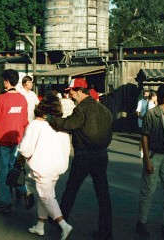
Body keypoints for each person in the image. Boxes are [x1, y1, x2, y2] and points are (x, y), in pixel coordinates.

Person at [46, 78, 113, 240]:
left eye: (71, 92)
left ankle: (61, 221)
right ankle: (106, 231)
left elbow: (68, 124)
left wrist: (49, 118)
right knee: (103, 194)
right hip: (101, 154)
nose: (69, 95)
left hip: (84, 155)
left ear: (80, 91)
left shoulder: (81, 109)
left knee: (71, 189)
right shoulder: (103, 109)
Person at [20, 93, 73, 239]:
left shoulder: (36, 125)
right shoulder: (60, 125)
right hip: (57, 165)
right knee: (47, 195)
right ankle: (40, 225)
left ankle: (64, 225)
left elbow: (25, 149)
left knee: (45, 196)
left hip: (42, 165)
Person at [136, 84, 164, 240]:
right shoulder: (151, 114)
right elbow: (145, 137)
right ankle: (141, 222)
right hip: (154, 156)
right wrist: (147, 159)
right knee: (148, 191)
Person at [0, 69, 33, 214]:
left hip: (3, 140)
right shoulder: (22, 99)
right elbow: (24, 121)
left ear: (7, 81)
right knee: (13, 169)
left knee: (3, 172)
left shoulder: (1, 99)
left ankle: (5, 202)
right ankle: (24, 191)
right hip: (16, 139)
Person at [136, 89, 150, 159]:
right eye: (145, 94)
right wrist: (143, 119)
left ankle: (147, 151)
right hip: (142, 121)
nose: (146, 96)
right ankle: (140, 151)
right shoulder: (140, 102)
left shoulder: (150, 101)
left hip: (149, 122)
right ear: (143, 94)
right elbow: (138, 112)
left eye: (147, 94)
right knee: (142, 137)